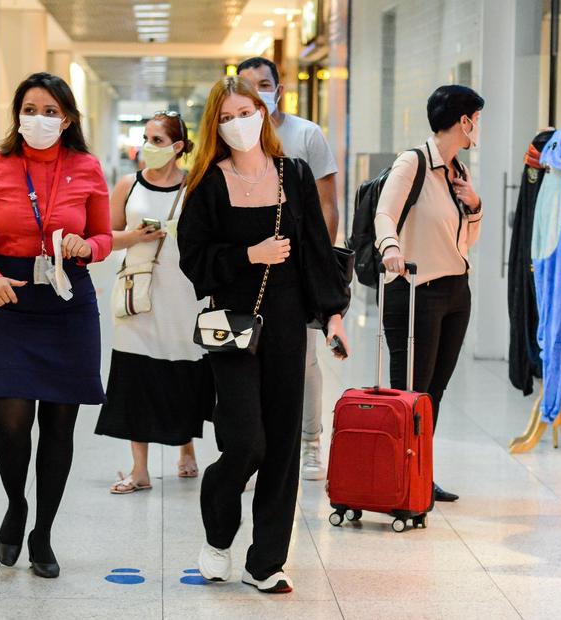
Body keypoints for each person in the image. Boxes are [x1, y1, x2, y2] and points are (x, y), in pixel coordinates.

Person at [178, 77, 350, 594]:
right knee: (246, 442)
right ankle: (218, 532)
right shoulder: (208, 184)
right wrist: (247, 256)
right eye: (226, 117)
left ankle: (266, 561)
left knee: (281, 446)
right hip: (232, 325)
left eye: (246, 111)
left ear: (265, 112)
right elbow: (194, 260)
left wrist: (334, 315)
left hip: (287, 324)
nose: (238, 123)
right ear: (215, 125)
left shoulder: (294, 175)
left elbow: (318, 251)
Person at [0, 72, 112, 579]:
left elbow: (102, 237)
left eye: (50, 111)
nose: (39, 118)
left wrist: (87, 247)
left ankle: (44, 533)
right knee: (9, 417)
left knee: (59, 423)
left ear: (67, 118)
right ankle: (16, 503)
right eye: (30, 108)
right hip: (7, 299)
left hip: (68, 300)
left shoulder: (87, 167)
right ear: (17, 115)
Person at [374, 85, 485, 503]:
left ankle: (418, 471)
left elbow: (466, 239)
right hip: (415, 290)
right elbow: (384, 212)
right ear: (463, 121)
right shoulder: (414, 162)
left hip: (456, 292)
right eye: (476, 118)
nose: (478, 128)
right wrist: (391, 248)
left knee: (433, 393)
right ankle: (395, 476)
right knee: (409, 393)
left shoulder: (460, 172)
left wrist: (474, 205)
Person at [95, 111, 215, 493]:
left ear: (178, 147)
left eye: (158, 140)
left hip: (182, 293)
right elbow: (105, 237)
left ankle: (186, 449)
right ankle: (140, 469)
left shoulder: (195, 186)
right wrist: (134, 236)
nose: (149, 147)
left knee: (181, 369)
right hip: (138, 293)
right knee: (136, 375)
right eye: (147, 138)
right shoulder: (128, 185)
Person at [238, 56, 339, 481]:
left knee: (303, 359)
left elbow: (328, 206)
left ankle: (311, 441)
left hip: (296, 271)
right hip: (249, 267)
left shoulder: (306, 135)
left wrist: (319, 268)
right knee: (247, 357)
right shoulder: (234, 135)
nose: (257, 92)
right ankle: (252, 448)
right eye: (247, 86)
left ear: (278, 90)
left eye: (264, 84)